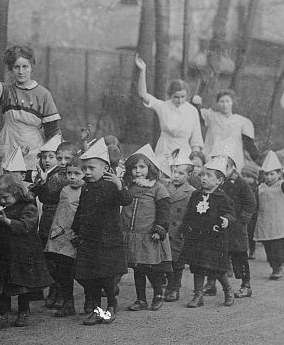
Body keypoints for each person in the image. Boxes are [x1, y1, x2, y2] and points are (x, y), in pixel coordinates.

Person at [0, 21, 62, 187]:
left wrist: (55, 162)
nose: (21, 71)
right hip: (8, 144)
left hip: (34, 149)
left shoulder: (43, 94)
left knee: (28, 192)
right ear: (10, 69)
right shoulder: (6, 91)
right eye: (16, 67)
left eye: (25, 67)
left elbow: (54, 132)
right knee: (3, 189)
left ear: (31, 67)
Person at [0, 174, 53, 330]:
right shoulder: (0, 205)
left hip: (23, 254)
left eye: (6, 198)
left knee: (23, 285)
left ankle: (23, 312)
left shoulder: (28, 206)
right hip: (2, 253)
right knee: (2, 286)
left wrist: (6, 221)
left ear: (17, 193)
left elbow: (25, 225)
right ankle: (2, 314)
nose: (2, 201)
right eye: (0, 198)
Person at [73, 139, 133, 325]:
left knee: (106, 277)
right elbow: (81, 209)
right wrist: (76, 228)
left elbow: (126, 200)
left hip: (107, 241)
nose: (87, 172)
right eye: (85, 169)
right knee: (91, 277)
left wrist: (119, 185)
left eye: (91, 168)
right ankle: (98, 311)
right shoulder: (87, 187)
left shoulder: (111, 186)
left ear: (105, 168)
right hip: (89, 239)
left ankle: (112, 307)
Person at [179, 156, 235, 307]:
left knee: (217, 268)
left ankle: (228, 290)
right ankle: (198, 295)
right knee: (197, 267)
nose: (204, 179)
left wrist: (227, 220)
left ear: (219, 180)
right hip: (197, 238)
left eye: (209, 176)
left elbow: (231, 213)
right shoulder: (196, 195)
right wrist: (184, 229)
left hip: (214, 238)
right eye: (203, 175)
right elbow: (189, 214)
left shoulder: (222, 198)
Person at [121, 148, 173, 312]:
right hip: (132, 234)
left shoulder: (158, 188)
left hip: (149, 235)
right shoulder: (130, 186)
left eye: (142, 167)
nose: (138, 171)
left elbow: (164, 211)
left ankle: (158, 294)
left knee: (151, 267)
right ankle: (141, 299)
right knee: (138, 268)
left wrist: (160, 228)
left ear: (150, 168)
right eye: (135, 167)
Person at [133, 55, 203, 158]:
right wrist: (143, 70)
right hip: (164, 151)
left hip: (183, 153)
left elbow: (196, 140)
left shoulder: (192, 111)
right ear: (170, 95)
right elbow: (143, 94)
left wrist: (195, 158)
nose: (180, 100)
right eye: (176, 97)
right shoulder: (163, 106)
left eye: (183, 97)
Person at [30, 135, 69, 308]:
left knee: (58, 256)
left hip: (59, 217)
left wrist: (43, 183)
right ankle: (53, 289)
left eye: (51, 157)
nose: (47, 160)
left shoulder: (63, 175)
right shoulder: (45, 174)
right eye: (44, 157)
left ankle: (59, 291)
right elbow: (41, 195)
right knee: (49, 255)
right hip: (47, 217)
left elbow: (51, 194)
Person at [45, 156, 84, 318]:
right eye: (69, 173)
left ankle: (89, 301)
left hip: (73, 236)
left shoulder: (86, 191)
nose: (72, 177)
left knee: (73, 270)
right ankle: (67, 301)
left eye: (77, 173)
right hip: (58, 233)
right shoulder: (64, 190)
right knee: (58, 268)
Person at [253, 151, 284, 280]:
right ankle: (274, 267)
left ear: (278, 174)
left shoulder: (282, 186)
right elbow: (256, 204)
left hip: (281, 222)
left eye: (272, 174)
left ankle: (278, 267)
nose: (269, 177)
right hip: (267, 223)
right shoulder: (260, 188)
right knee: (269, 248)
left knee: (278, 246)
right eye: (266, 174)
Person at [220, 155, 258, 300]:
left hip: (236, 227)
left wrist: (243, 220)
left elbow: (251, 202)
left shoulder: (241, 183)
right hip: (222, 224)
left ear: (232, 168)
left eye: (225, 168)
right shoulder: (218, 180)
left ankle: (246, 285)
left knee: (240, 255)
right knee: (217, 256)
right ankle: (211, 284)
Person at [191, 90, 259, 170]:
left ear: (232, 102)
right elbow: (195, 113)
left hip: (233, 160)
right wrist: (195, 102)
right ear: (217, 103)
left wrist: (258, 160)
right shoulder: (211, 116)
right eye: (221, 101)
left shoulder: (241, 121)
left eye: (227, 101)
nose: (224, 105)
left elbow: (249, 145)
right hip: (212, 158)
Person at [165, 150, 197, 303]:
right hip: (165, 230)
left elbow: (193, 215)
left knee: (177, 263)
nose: (176, 176)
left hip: (179, 232)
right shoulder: (164, 187)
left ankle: (174, 287)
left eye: (180, 173)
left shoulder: (192, 192)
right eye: (173, 171)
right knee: (165, 260)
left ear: (189, 175)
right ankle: (168, 284)